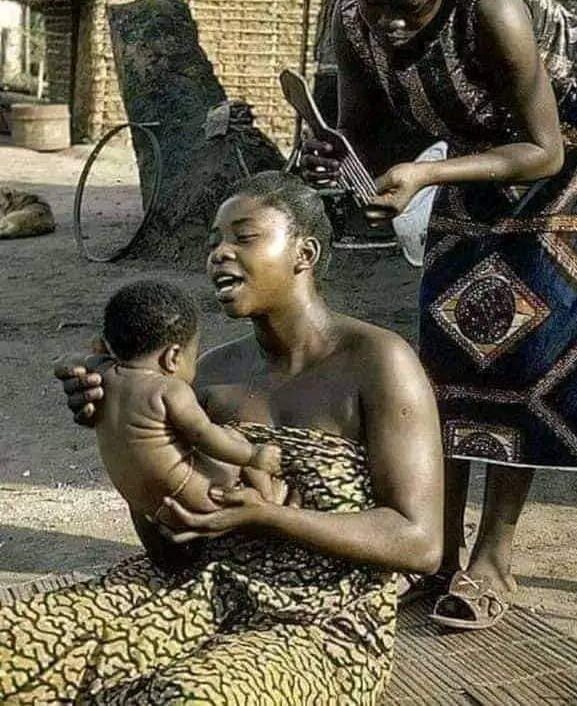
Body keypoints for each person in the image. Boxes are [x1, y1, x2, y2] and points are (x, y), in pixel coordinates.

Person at [301, 0, 577, 629]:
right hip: (478, 156)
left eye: (410, 8)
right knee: (450, 353)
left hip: (571, 153)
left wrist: (427, 171)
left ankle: (493, 559)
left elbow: (541, 147)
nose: (389, 23)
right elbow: (369, 131)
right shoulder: (355, 15)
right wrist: (342, 162)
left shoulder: (494, 9)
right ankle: (434, 551)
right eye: (376, 1)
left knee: (524, 353)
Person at [0, 171, 443, 705]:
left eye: (244, 237)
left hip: (322, 621)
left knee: (192, 697)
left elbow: (420, 544)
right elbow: (171, 554)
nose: (219, 253)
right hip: (195, 592)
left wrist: (271, 516)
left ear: (304, 252)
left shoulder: (378, 361)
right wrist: (123, 441)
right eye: (214, 241)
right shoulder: (203, 376)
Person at [96, 280, 281, 526]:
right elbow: (204, 435)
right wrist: (254, 455)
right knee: (233, 436)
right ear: (172, 357)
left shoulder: (103, 378)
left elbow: (69, 361)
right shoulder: (168, 390)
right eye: (192, 356)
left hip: (151, 508)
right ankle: (269, 498)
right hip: (197, 497)